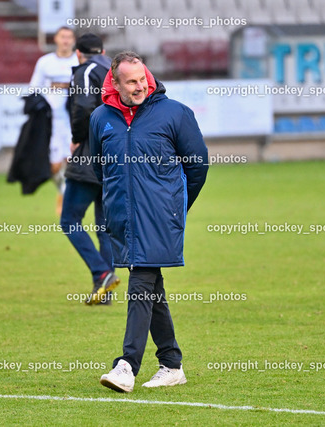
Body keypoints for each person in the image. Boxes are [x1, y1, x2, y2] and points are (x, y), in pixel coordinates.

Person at [90, 51, 208, 392]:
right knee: (151, 286)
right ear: (115, 82)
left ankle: (126, 366)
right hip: (122, 219)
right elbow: (101, 169)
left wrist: (175, 207)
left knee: (141, 282)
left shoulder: (175, 114)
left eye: (142, 78)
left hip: (159, 217)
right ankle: (171, 363)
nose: (140, 85)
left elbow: (198, 166)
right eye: (131, 81)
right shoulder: (101, 118)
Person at [60, 33, 117, 305]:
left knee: (69, 220)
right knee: (104, 226)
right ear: (103, 50)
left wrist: (77, 138)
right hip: (116, 157)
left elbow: (83, 107)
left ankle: (102, 272)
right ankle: (103, 289)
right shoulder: (115, 70)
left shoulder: (86, 71)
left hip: (90, 156)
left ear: (78, 53)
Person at [29, 26, 79, 215]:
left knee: (71, 161)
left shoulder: (78, 62)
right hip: (52, 122)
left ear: (73, 41)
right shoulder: (45, 63)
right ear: (56, 39)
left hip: (72, 121)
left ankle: (66, 200)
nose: (66, 40)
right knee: (53, 165)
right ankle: (62, 191)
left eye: (69, 37)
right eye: (62, 36)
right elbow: (34, 89)